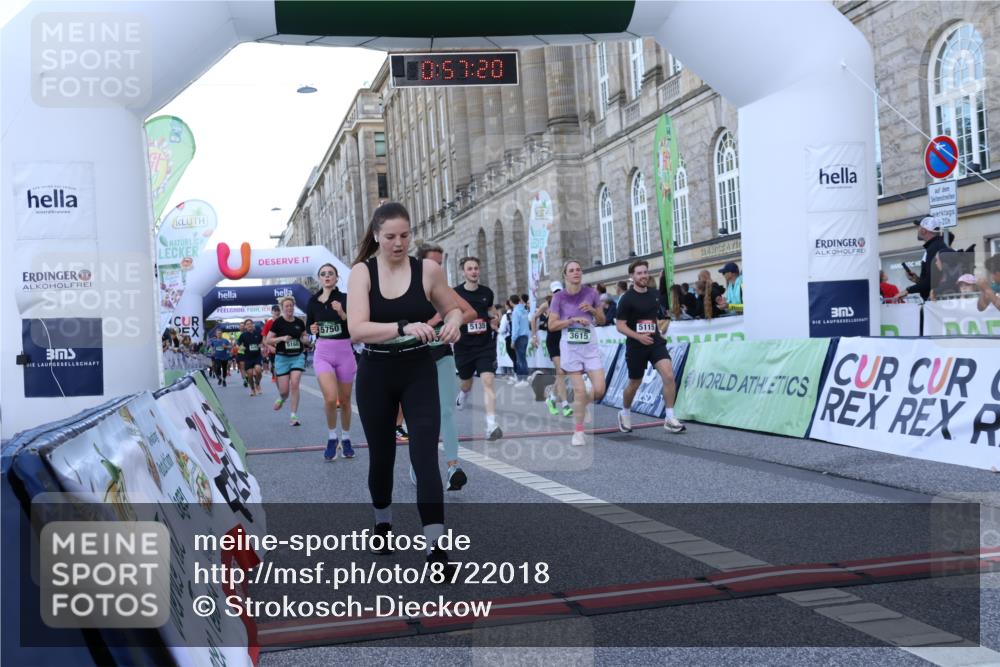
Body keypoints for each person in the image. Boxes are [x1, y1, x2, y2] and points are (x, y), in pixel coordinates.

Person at [347, 202, 464, 566]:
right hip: (376, 373)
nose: (399, 243)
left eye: (405, 235)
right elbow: (357, 330)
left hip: (418, 369)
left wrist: (455, 321)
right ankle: (382, 523)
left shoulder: (427, 269)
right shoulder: (361, 273)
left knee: (425, 455)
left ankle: (436, 545)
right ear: (377, 236)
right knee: (383, 457)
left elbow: (455, 307)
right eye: (390, 237)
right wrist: (402, 327)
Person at [409, 242, 477, 490]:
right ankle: (418, 464)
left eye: (441, 263)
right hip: (412, 359)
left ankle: (453, 467)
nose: (438, 267)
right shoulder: (407, 287)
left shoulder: (443, 290)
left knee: (446, 412)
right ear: (421, 264)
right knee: (420, 417)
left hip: (441, 355)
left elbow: (469, 311)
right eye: (434, 263)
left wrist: (449, 321)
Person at [615, 260, 687, 435]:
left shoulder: (654, 294)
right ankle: (624, 412)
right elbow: (620, 326)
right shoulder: (626, 299)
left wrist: (658, 332)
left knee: (669, 375)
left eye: (645, 272)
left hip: (655, 343)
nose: (643, 276)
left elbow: (652, 317)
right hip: (636, 346)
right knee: (634, 383)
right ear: (632, 277)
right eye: (639, 273)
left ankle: (669, 417)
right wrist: (638, 336)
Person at [547, 259, 607, 446]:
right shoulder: (559, 298)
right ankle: (578, 432)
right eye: (571, 270)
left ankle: (583, 404)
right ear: (565, 275)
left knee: (599, 390)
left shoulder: (591, 293)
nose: (576, 273)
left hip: (589, 345)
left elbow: (603, 320)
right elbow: (551, 325)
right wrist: (571, 320)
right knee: (580, 390)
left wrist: (592, 311)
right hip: (570, 347)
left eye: (579, 270)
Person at [307, 263, 357, 460]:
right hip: (324, 353)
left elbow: (355, 325)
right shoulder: (313, 301)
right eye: (323, 274)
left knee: (345, 401)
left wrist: (342, 313)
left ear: (337, 278)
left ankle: (346, 438)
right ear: (319, 279)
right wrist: (311, 331)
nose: (327, 277)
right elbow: (310, 328)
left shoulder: (345, 299)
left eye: (330, 274)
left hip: (344, 351)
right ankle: (332, 437)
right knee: (330, 398)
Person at [452, 256, 503, 440]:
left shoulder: (487, 292)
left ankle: (491, 425)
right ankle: (463, 394)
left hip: (484, 346)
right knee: (466, 383)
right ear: (463, 272)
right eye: (470, 268)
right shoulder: (455, 293)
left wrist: (495, 318)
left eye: (476, 268)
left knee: (488, 381)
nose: (474, 271)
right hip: (464, 346)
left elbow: (490, 310)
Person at [265, 296, 311, 426]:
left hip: (297, 356)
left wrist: (305, 339)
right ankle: (282, 398)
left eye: (291, 305)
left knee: (295, 383)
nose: (289, 308)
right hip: (282, 358)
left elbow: (303, 336)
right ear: (282, 308)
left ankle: (293, 416)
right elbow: (268, 340)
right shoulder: (278, 322)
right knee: (284, 391)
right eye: (287, 306)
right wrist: (281, 338)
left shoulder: (299, 322)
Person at [532, 283, 571, 417]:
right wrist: (534, 335)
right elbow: (534, 317)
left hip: (565, 340)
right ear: (552, 293)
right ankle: (565, 405)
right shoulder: (548, 304)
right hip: (553, 341)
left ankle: (551, 398)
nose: (557, 294)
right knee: (560, 371)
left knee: (563, 373)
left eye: (559, 291)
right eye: (555, 292)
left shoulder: (567, 303)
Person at [905, 216, 949, 300]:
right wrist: (918, 280)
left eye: (919, 227)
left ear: (923, 230)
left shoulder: (933, 248)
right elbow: (931, 279)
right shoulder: (935, 246)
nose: (917, 230)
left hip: (935, 303)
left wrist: (907, 290)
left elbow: (932, 282)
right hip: (935, 301)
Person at [237, 318, 264, 396]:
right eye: (247, 324)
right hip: (248, 357)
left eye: (250, 324)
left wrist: (262, 344)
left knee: (258, 370)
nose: (249, 325)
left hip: (257, 356)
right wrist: (241, 347)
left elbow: (263, 340)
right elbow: (238, 344)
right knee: (250, 374)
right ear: (245, 327)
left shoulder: (258, 333)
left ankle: (257, 383)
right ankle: (252, 389)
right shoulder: (243, 335)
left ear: (253, 325)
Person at [511, 293, 530, 386]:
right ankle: (523, 378)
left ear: (511, 302)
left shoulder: (516, 312)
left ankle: (523, 379)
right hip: (526, 336)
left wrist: (513, 340)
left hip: (519, 337)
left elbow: (515, 327)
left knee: (520, 359)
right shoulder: (524, 310)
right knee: (523, 358)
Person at [261, 304, 281, 382]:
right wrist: (270, 347)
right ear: (272, 312)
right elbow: (264, 339)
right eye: (275, 311)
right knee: (274, 364)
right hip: (273, 348)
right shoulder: (268, 323)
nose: (277, 312)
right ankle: (274, 375)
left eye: (278, 310)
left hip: (283, 346)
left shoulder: (284, 321)